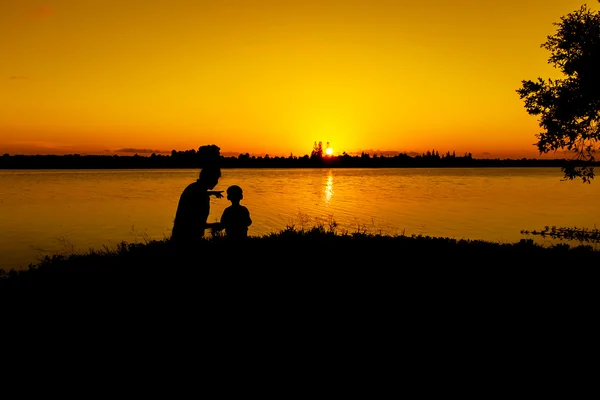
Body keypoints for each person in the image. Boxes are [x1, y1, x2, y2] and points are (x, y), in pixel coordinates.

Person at [171, 166, 223, 253]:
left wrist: (212, 193)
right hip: (188, 239)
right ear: (209, 178)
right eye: (215, 178)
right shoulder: (201, 195)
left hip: (179, 235)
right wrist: (215, 225)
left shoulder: (193, 187)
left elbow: (200, 193)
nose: (217, 182)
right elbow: (196, 224)